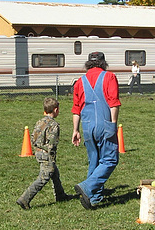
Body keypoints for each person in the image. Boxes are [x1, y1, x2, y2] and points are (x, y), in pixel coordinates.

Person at [72, 51, 121, 209]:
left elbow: (76, 109)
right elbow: (113, 103)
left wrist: (75, 130)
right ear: (103, 63)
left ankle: (94, 197)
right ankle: (88, 186)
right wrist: (113, 124)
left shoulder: (80, 81)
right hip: (103, 123)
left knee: (94, 160)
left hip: (86, 125)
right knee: (110, 160)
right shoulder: (109, 77)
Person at [17, 97, 68, 210]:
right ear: (55, 110)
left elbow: (33, 137)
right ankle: (25, 198)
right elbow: (52, 143)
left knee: (55, 173)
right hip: (46, 154)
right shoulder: (54, 125)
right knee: (44, 177)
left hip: (38, 152)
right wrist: (52, 156)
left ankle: (60, 195)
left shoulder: (40, 122)